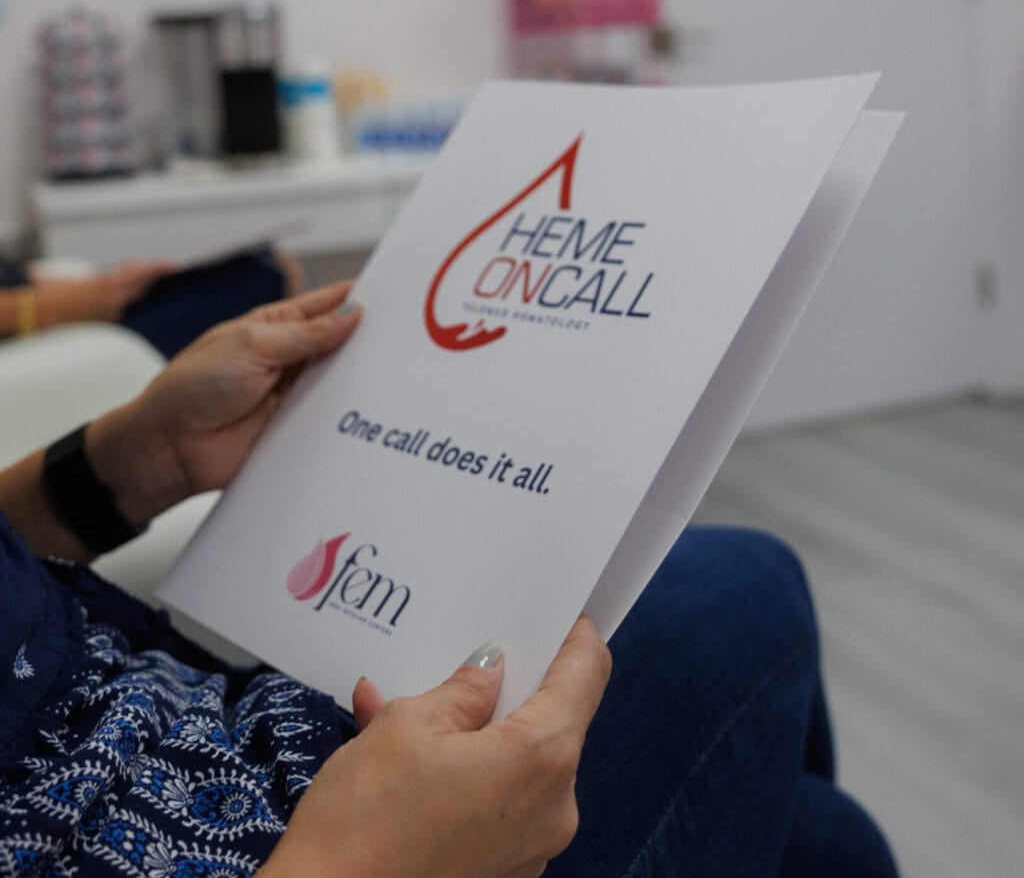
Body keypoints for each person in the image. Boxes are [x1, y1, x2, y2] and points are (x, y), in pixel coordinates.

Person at [0, 281, 899, 877]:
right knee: (745, 590)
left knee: (828, 846)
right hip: (269, 847)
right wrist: (356, 862)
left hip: (176, 712)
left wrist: (130, 457)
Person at [0, 246, 303, 358]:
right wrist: (44, 308)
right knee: (262, 277)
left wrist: (95, 285)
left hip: (36, 297)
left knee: (263, 264)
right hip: (31, 326)